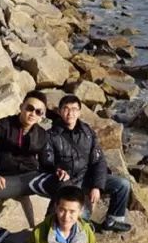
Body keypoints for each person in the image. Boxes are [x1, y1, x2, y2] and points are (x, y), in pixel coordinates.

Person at [45, 95, 132, 232]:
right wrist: (57, 169)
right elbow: (46, 160)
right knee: (83, 216)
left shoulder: (87, 132)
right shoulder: (51, 135)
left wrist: (97, 186)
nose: (70, 113)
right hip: (69, 182)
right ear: (60, 111)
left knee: (123, 185)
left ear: (79, 112)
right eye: (66, 109)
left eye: (74, 109)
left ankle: (113, 220)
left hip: (88, 177)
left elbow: (99, 161)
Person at [0, 91, 58, 243]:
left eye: (38, 112)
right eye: (30, 108)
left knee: (64, 185)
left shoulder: (42, 135)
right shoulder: (3, 126)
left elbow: (47, 163)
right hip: (4, 179)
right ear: (21, 107)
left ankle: (49, 228)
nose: (33, 114)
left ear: (42, 116)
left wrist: (58, 171)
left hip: (28, 178)